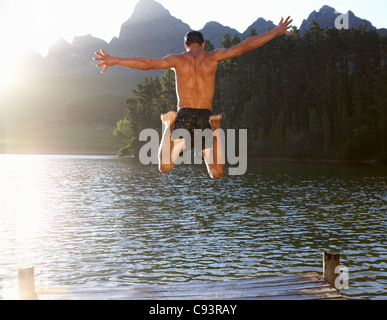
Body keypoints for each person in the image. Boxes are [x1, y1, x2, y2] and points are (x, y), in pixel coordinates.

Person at [94, 16, 292, 179]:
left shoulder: (178, 60)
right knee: (216, 173)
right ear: (203, 44)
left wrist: (116, 60)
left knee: (165, 166)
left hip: (185, 115)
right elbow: (243, 47)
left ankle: (167, 126)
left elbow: (148, 63)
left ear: (185, 44)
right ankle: (216, 130)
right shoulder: (212, 57)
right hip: (205, 116)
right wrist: (274, 31)